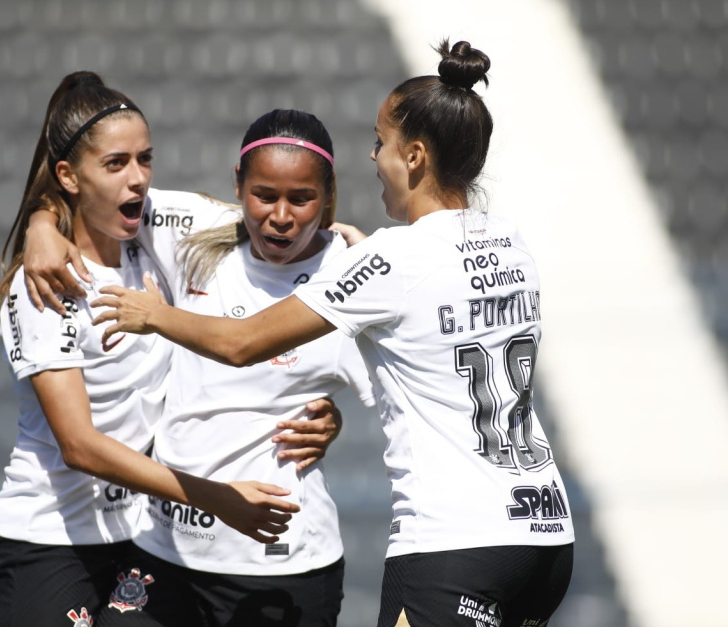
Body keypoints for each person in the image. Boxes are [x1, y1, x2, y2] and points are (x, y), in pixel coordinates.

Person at [94, 41, 575, 627]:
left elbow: (243, 345)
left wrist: (153, 316)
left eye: (381, 142)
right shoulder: (510, 241)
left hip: (456, 544)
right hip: (545, 531)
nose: (374, 157)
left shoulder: (388, 257)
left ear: (415, 156)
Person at [0, 71, 308, 627]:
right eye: (116, 164)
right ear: (68, 175)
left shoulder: (156, 239)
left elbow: (276, 217)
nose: (139, 180)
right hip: (47, 544)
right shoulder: (44, 283)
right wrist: (215, 497)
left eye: (145, 159)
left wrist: (341, 237)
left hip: (141, 541)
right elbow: (79, 446)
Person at [23, 109, 375, 627]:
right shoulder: (194, 232)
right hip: (164, 552)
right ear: (237, 184)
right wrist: (42, 225)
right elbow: (93, 191)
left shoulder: (355, 273)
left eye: (301, 199)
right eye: (264, 195)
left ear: (327, 195)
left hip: (279, 563)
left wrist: (331, 420)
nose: (281, 216)